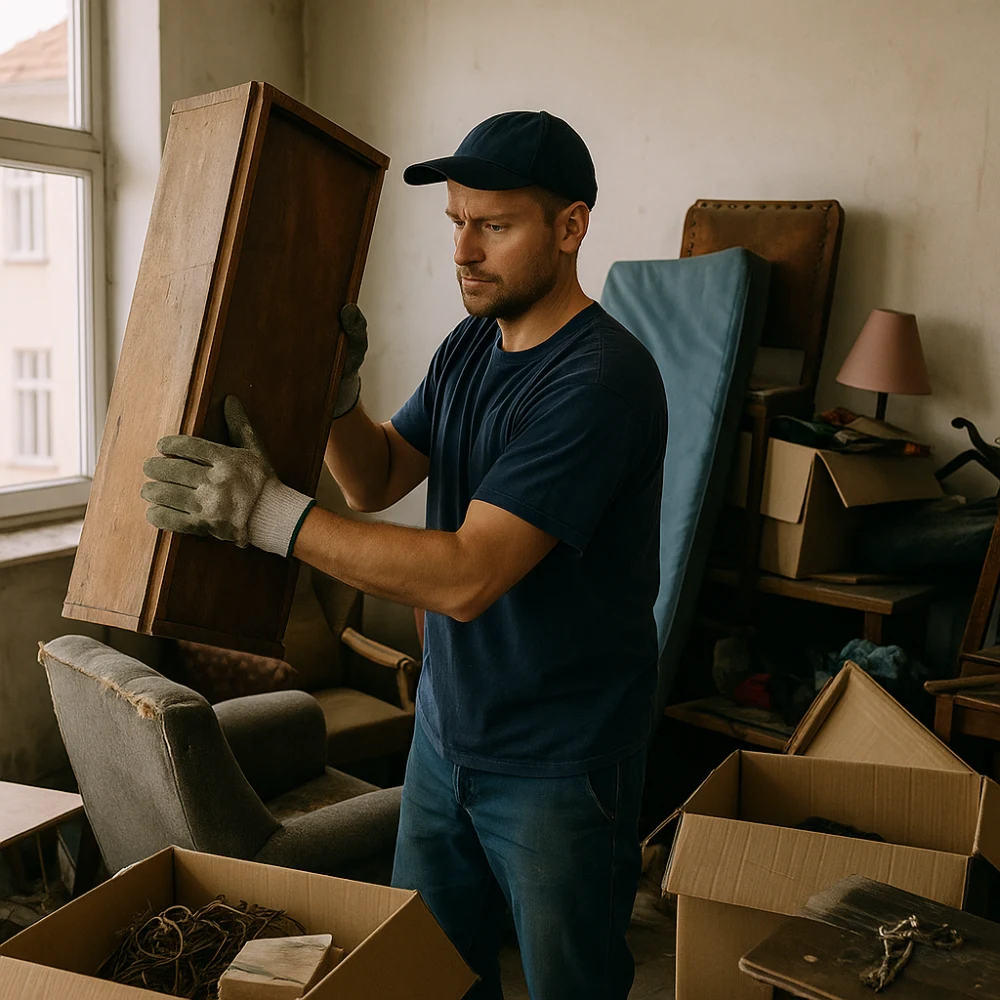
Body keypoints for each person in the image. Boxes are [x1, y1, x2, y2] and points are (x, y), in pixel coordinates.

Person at [141, 110, 667, 1000]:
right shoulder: (471, 345)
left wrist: (266, 514)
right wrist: (338, 394)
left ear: (571, 227)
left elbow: (468, 576)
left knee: (570, 986)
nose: (464, 250)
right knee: (429, 978)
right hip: (445, 734)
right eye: (456, 221)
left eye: (493, 226)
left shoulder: (601, 380)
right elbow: (378, 476)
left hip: (558, 762)